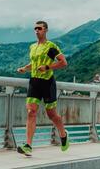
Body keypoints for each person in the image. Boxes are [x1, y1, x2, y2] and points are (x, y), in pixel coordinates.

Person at [16, 21, 69, 156]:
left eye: (39, 28)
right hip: (34, 82)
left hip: (47, 83)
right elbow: (33, 62)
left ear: (45, 30)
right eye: (35, 28)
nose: (36, 30)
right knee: (30, 112)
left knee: (51, 114)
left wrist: (47, 67)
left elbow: (63, 62)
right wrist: (25, 68)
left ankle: (63, 135)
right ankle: (28, 145)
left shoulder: (51, 47)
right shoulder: (32, 47)